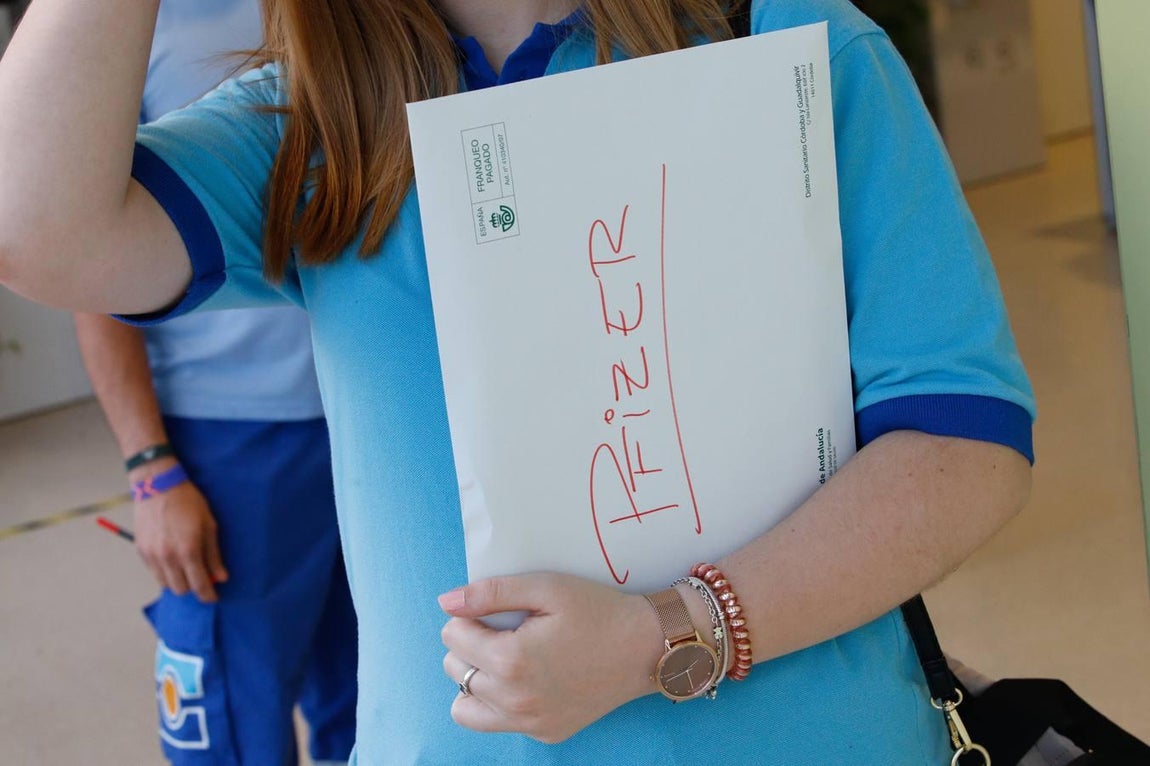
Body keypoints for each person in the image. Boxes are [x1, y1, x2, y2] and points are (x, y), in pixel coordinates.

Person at [0, 0, 1035, 763]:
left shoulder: (791, 43)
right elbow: (36, 231)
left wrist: (667, 634)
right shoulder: (317, 121)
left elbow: (962, 441)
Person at [69, 1, 357, 764]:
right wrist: (149, 470)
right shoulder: (136, 28)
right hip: (231, 443)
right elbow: (88, 279)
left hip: (369, 411)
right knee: (232, 722)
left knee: (373, 708)